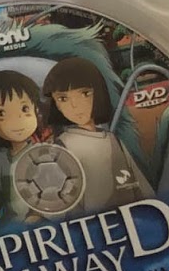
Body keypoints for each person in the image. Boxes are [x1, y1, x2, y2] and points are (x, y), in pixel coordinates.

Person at [42, 57, 153, 212]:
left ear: (99, 93)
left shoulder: (112, 139)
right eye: (63, 98)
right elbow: (60, 202)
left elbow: (141, 186)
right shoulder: (62, 146)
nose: (75, 105)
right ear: (56, 105)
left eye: (85, 93)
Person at [0, 70, 50, 222]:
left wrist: (38, 214)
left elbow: (55, 191)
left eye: (24, 109)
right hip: (11, 227)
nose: (17, 120)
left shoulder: (44, 154)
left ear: (36, 110)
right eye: (2, 113)